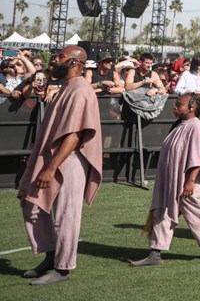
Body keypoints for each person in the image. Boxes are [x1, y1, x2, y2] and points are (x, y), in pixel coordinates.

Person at [17, 46, 103, 286]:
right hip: (54, 160)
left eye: (61, 57)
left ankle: (63, 268)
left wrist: (50, 168)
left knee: (66, 215)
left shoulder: (81, 90)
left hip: (69, 162)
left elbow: (74, 136)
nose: (55, 60)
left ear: (75, 62)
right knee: (31, 203)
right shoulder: (67, 87)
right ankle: (51, 256)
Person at [130, 93, 200, 266]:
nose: (175, 107)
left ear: (192, 108)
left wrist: (189, 182)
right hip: (172, 181)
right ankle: (155, 253)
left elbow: (197, 158)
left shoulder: (196, 127)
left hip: (187, 182)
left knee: (195, 214)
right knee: (162, 213)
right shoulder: (180, 125)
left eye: (179, 104)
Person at [121, 53, 169, 120]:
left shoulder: (153, 74)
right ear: (140, 62)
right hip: (132, 107)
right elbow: (127, 87)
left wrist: (156, 90)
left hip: (146, 108)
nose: (149, 65)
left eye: (151, 63)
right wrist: (144, 81)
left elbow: (163, 89)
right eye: (147, 63)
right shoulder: (133, 71)